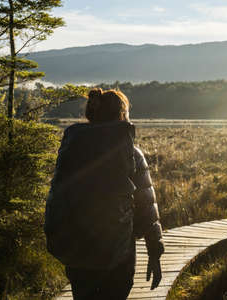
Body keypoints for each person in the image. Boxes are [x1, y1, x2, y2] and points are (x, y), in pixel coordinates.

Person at [50, 88, 164, 300]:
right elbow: (146, 205)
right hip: (118, 251)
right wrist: (154, 253)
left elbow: (58, 197)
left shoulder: (72, 148)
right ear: (122, 114)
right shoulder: (132, 154)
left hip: (78, 251)